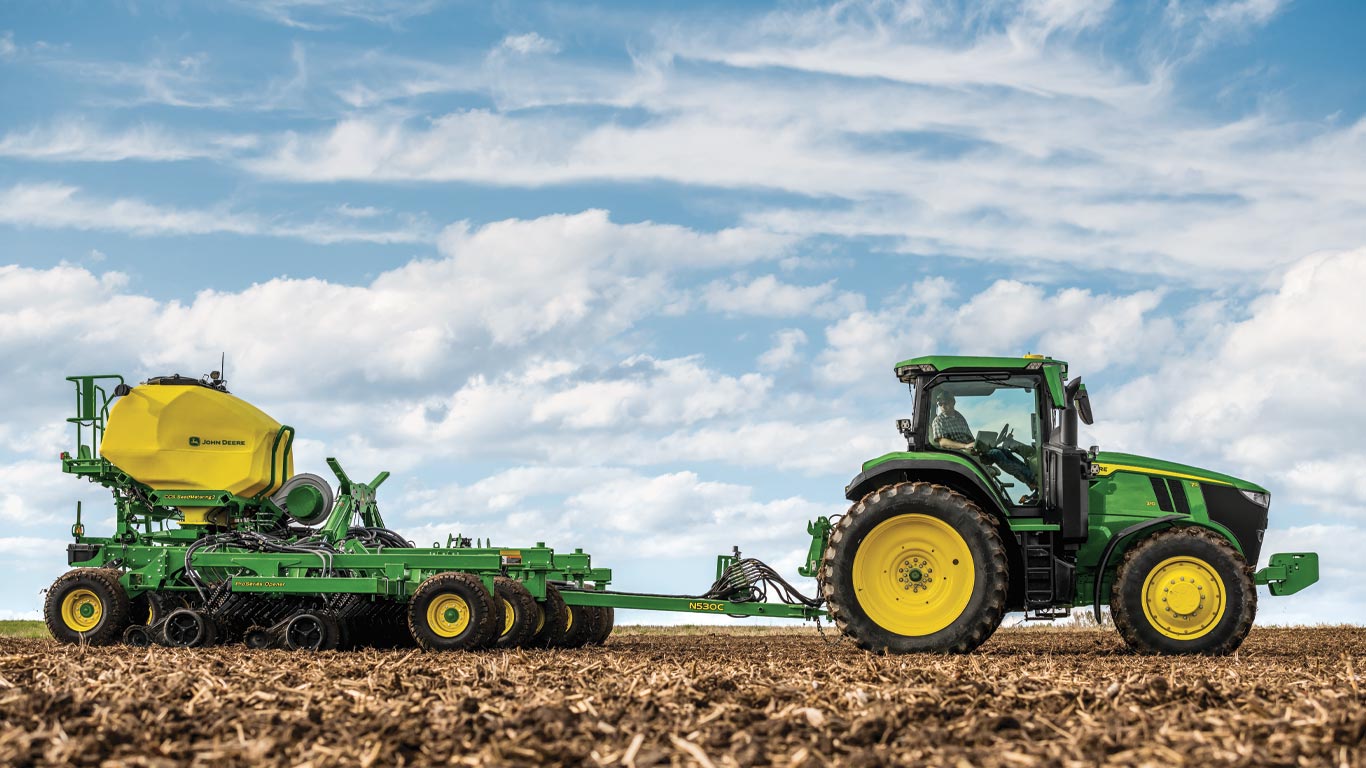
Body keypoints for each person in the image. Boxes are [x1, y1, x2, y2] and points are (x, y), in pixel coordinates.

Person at [931, 390, 1038, 502]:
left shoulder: (959, 417)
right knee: (997, 454)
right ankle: (1032, 480)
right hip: (960, 454)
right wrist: (965, 446)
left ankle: (1030, 479)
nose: (943, 406)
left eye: (946, 403)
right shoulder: (938, 421)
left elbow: (969, 437)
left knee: (1004, 451)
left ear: (953, 402)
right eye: (940, 404)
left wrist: (979, 444)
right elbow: (942, 442)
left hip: (971, 451)